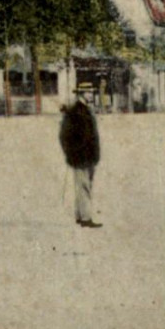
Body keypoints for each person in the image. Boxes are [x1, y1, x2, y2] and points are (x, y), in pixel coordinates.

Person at [60, 83, 102, 227]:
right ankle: (86, 218)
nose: (91, 94)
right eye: (87, 92)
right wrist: (71, 153)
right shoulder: (74, 111)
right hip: (80, 156)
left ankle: (80, 215)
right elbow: (64, 135)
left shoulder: (87, 109)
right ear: (80, 94)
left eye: (91, 92)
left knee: (84, 185)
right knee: (84, 186)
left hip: (89, 156)